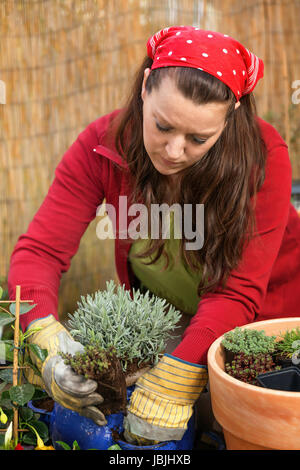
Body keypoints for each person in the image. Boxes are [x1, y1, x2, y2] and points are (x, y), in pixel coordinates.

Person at [8, 26, 300, 444]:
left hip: (262, 321)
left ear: (231, 116)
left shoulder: (264, 158)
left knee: (237, 426)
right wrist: (45, 341)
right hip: (173, 315)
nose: (174, 151)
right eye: (162, 126)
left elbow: (236, 295)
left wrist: (175, 382)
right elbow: (39, 252)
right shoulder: (101, 147)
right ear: (145, 87)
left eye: (199, 138)